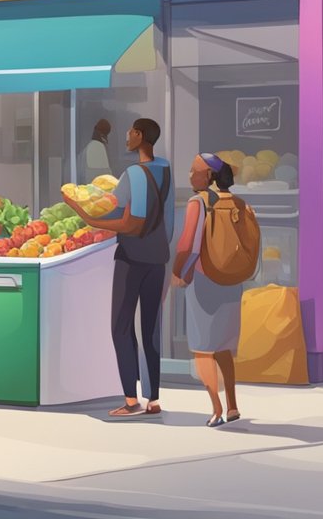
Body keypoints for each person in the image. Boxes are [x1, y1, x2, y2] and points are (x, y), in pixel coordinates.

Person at [64, 117, 174, 418]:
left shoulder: (133, 174)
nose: (126, 136)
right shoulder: (165, 169)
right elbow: (168, 220)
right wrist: (161, 247)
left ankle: (130, 400)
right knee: (151, 327)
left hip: (133, 258)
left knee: (121, 327)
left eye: (130, 132)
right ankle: (152, 399)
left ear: (139, 135)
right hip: (157, 258)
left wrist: (83, 213)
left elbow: (128, 221)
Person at [172, 154, 244, 428]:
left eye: (195, 171)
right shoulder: (235, 202)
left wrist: (179, 272)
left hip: (204, 281)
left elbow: (188, 245)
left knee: (203, 349)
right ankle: (234, 406)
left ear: (209, 177)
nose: (190, 175)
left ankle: (216, 409)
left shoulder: (198, 202)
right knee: (224, 347)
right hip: (232, 281)